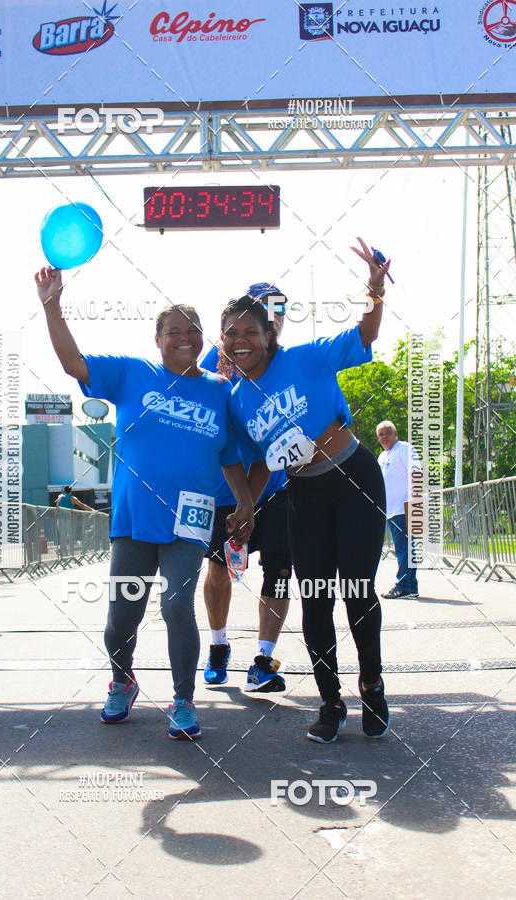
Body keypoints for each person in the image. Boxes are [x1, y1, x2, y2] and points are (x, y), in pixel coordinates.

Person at [35, 267, 254, 740]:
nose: (183, 338)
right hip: (134, 513)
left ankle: (183, 701)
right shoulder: (132, 373)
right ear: (157, 339)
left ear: (202, 340)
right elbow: (73, 362)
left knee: (178, 605)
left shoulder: (219, 390)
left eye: (191, 331)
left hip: (191, 513)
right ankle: (122, 679)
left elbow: (232, 456)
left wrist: (245, 504)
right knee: (122, 614)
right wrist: (51, 304)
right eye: (173, 331)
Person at [225, 238, 391, 743]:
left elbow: (366, 332)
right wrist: (246, 505)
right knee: (314, 598)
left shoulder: (305, 359)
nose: (240, 341)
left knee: (357, 591)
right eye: (231, 334)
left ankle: (372, 684)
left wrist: (375, 286)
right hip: (305, 495)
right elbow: (240, 459)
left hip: (354, 477)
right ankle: (330, 702)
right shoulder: (235, 400)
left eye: (250, 331)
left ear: (269, 335)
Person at [202, 283, 292, 692]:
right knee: (220, 569)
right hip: (227, 489)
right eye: (265, 307)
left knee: (279, 570)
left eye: (279, 309)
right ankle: (218, 645)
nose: (274, 315)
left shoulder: (287, 360)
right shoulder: (221, 354)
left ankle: (262, 659)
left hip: (276, 486)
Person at [376, 420, 421, 599]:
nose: (384, 437)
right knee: (403, 548)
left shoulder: (404, 448)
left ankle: (403, 586)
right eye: (380, 434)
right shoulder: (382, 456)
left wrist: (415, 500)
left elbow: (416, 472)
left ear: (395, 434)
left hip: (406, 507)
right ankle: (411, 586)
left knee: (405, 549)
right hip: (391, 510)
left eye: (387, 432)